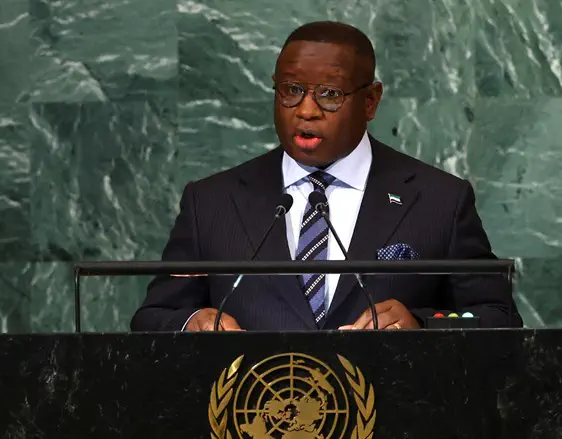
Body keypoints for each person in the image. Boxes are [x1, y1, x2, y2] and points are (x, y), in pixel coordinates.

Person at [130, 21, 523, 332]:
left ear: (370, 101)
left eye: (329, 94)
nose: (306, 110)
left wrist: (420, 324)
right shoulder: (211, 201)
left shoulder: (439, 200)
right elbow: (153, 318)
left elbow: (499, 318)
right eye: (291, 90)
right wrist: (190, 323)